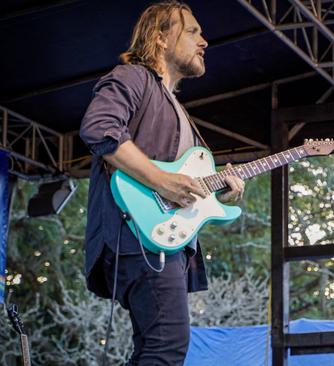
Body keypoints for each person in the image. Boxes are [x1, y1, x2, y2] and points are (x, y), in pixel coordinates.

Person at [79, 2, 244, 364]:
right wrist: (161, 181)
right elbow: (98, 127)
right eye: (192, 31)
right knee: (167, 345)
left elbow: (186, 182)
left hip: (162, 240)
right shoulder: (133, 77)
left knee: (155, 347)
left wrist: (223, 185)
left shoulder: (177, 110)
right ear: (160, 37)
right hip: (137, 234)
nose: (204, 41)